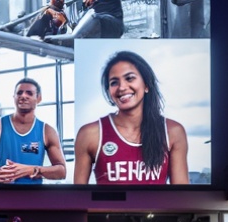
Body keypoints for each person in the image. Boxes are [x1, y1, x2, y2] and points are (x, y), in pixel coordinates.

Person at [74, 51, 189, 185]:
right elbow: (78, 198)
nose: (122, 87)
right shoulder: (90, 134)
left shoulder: (173, 132)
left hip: (156, 207)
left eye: (129, 78)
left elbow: (181, 197)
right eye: (114, 82)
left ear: (146, 85)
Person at [0, 78, 68, 185]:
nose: (23, 96)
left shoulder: (47, 131)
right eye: (19, 93)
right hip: (2, 198)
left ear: (38, 98)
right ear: (14, 97)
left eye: (29, 93)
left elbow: (62, 171)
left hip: (33, 198)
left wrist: (33, 170)